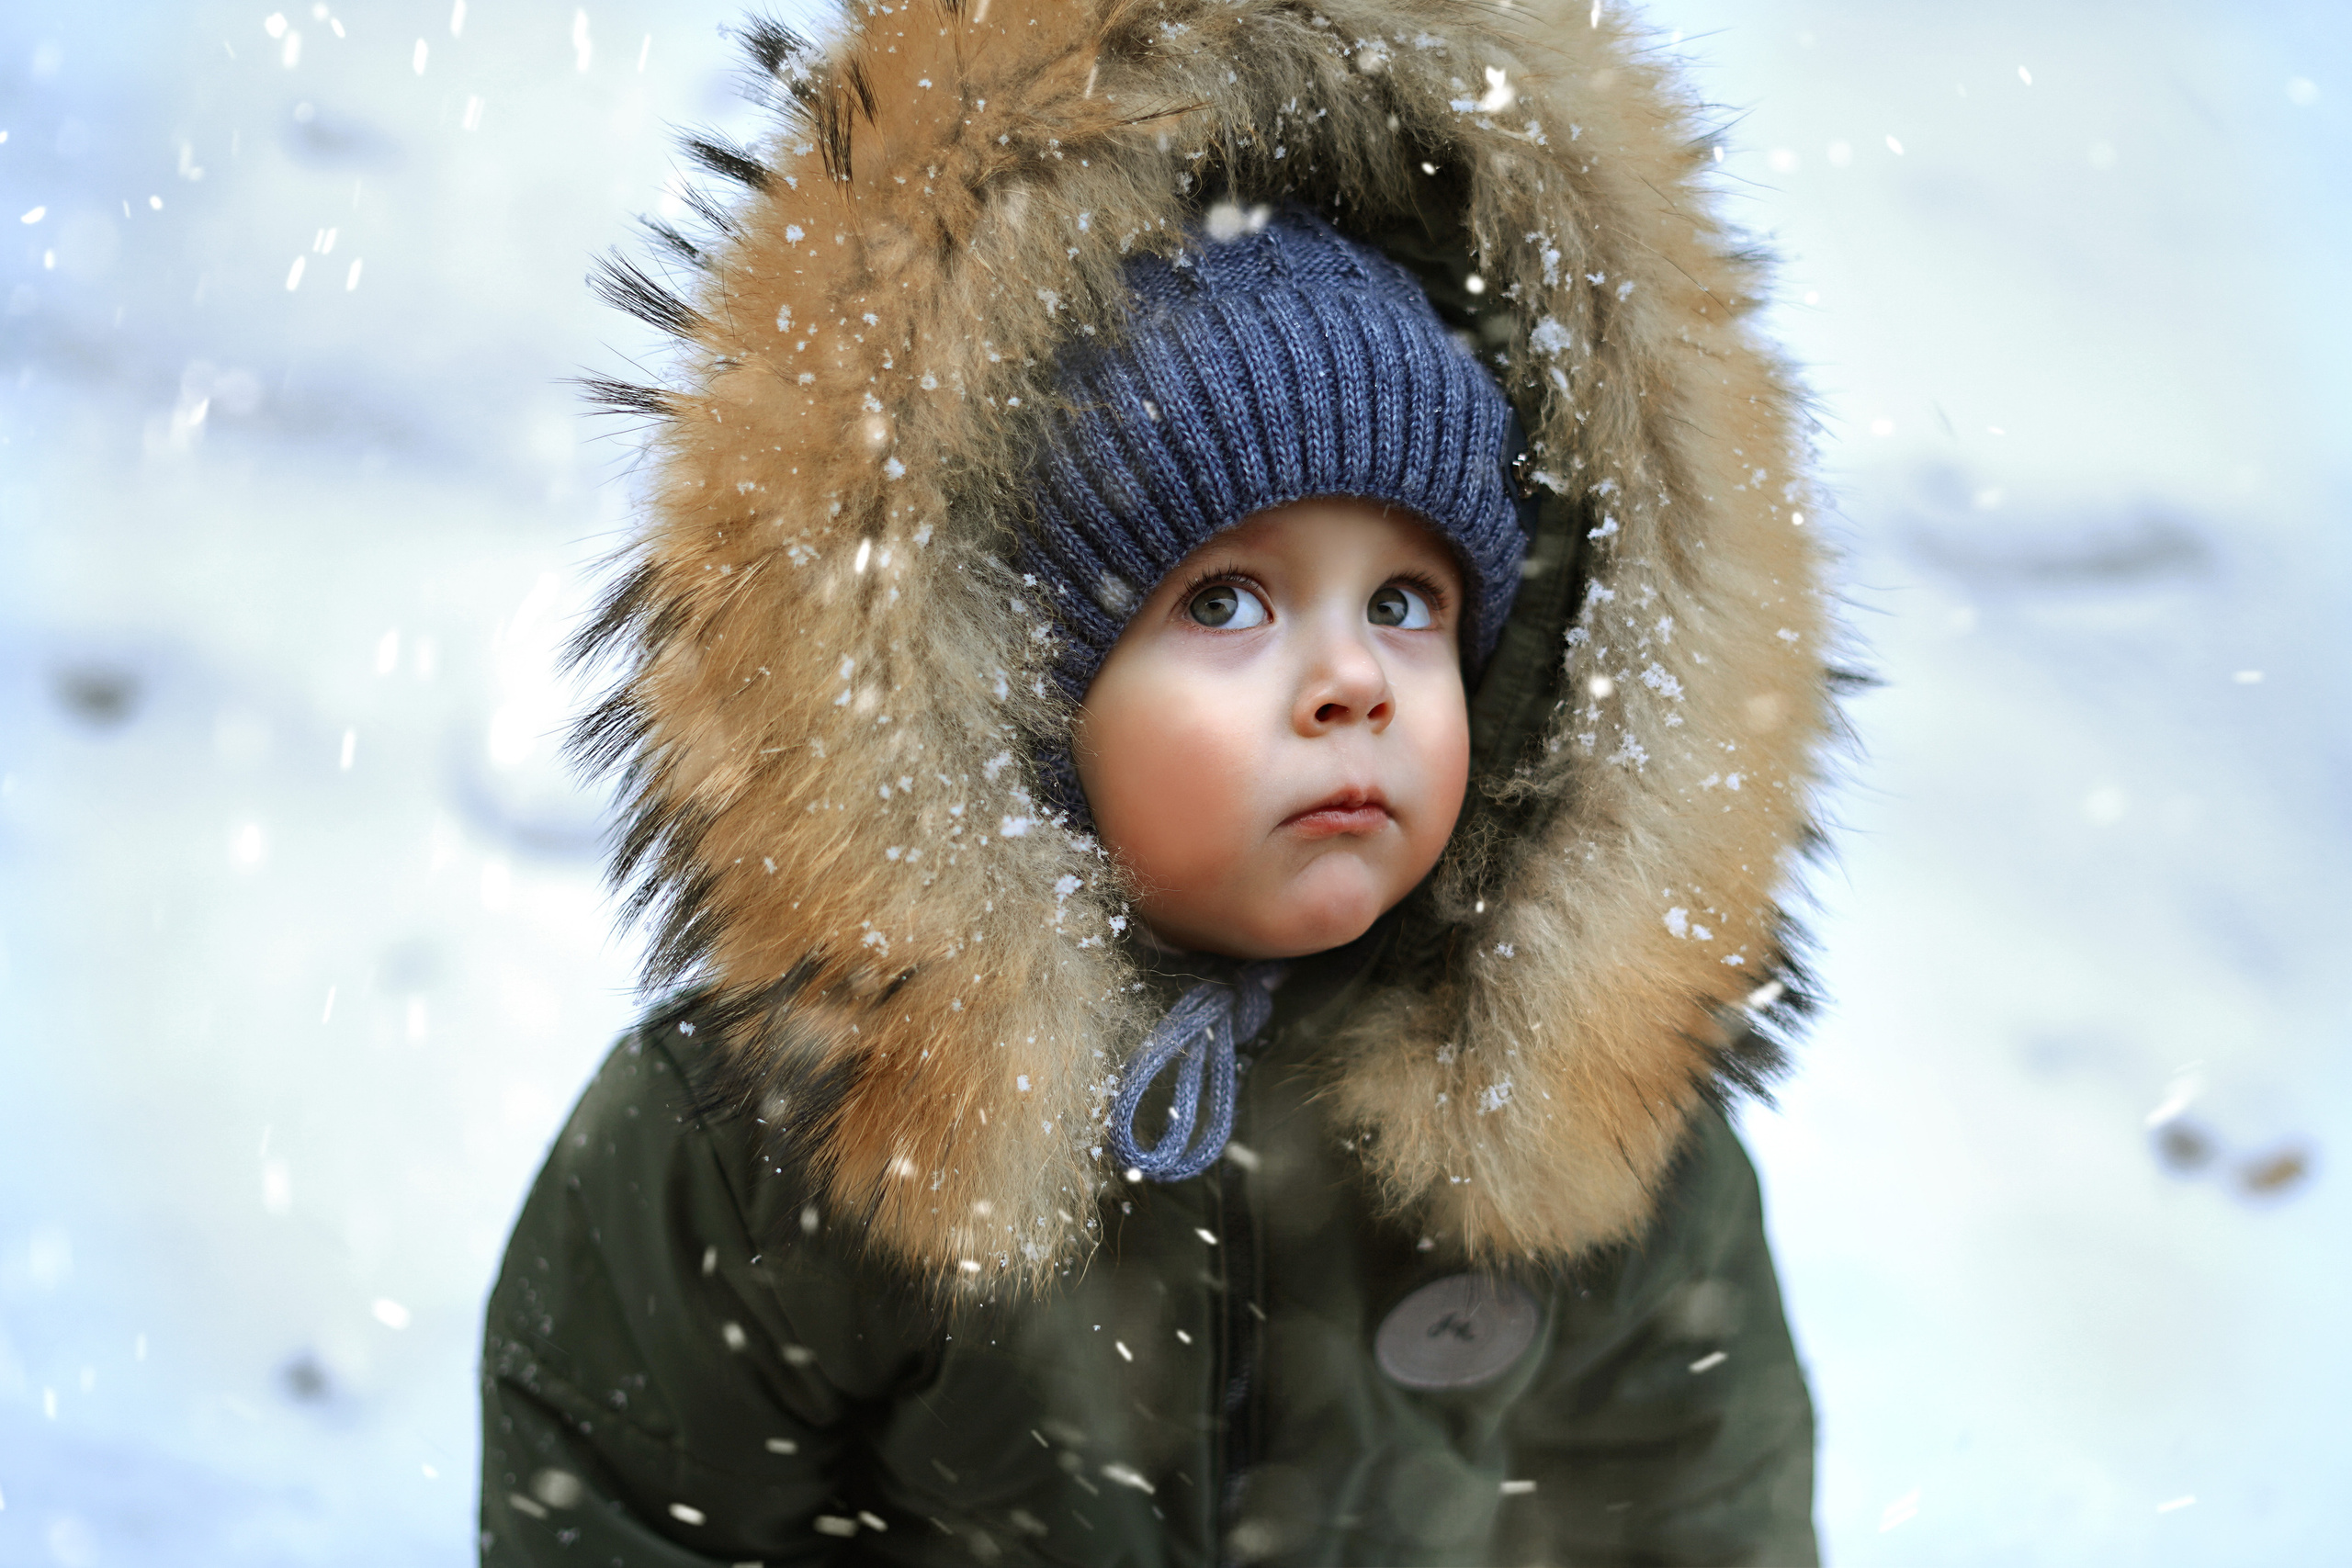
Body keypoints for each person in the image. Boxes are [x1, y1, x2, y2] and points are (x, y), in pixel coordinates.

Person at [481, 0, 1834, 1562]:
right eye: (1228, 603)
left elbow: (1685, 1510)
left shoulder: (1568, 1113)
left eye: (1407, 604)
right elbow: (635, 1509)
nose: (1352, 679)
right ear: (1024, 701)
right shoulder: (795, 1132)